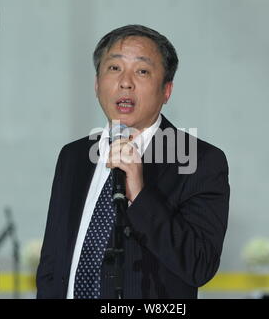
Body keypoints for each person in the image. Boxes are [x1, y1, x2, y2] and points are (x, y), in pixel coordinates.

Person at [36, 24, 230, 299]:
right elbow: (52, 262)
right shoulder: (74, 156)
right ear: (96, 83)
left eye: (142, 71)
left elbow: (199, 266)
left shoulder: (200, 161)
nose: (125, 82)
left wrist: (139, 194)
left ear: (167, 90)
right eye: (114, 68)